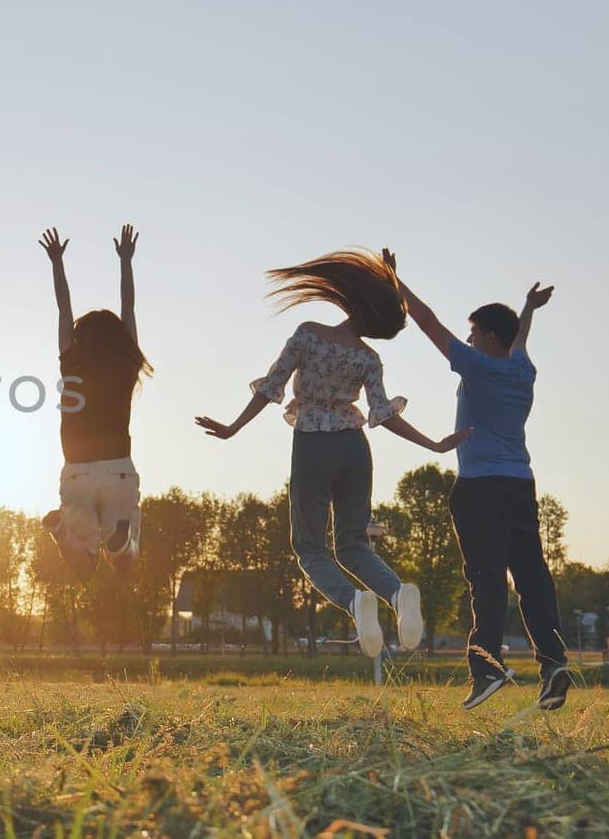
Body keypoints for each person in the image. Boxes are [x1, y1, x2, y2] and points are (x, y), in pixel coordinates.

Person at [195, 250, 469, 659]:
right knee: (354, 544)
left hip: (314, 445)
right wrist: (432, 444)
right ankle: (396, 594)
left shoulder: (308, 334)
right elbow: (382, 415)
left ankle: (355, 601)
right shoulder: (368, 358)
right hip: (356, 449)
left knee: (310, 547)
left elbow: (272, 387)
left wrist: (234, 428)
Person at [388, 252, 570, 710]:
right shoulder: (523, 370)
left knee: (486, 578)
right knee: (532, 577)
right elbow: (521, 339)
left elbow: (428, 323)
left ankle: (487, 665)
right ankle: (554, 665)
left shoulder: (479, 366)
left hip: (479, 488)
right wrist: (527, 309)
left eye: (473, 331)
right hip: (520, 485)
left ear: (488, 337)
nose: (467, 337)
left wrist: (396, 281)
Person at [37, 225, 152, 581]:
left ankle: (62, 536)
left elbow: (63, 308)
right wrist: (126, 262)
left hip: (77, 470)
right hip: (118, 467)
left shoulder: (71, 359)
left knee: (83, 566)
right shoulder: (126, 360)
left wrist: (57, 263)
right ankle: (121, 543)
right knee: (125, 563)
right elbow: (128, 307)